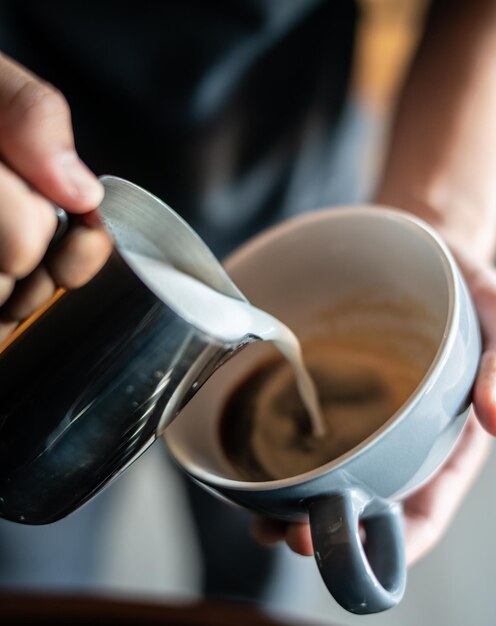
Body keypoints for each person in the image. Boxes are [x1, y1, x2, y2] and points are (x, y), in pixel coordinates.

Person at [0, 0, 494, 601]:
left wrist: (438, 220)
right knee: (29, 551)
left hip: (289, 170)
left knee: (263, 569)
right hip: (31, 223)